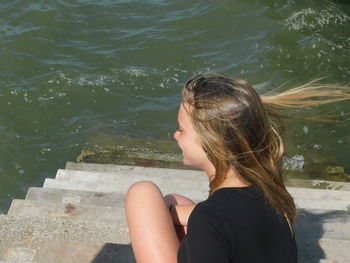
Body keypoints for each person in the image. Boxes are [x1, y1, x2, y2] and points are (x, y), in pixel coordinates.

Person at [124, 73, 349, 263]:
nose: (175, 135)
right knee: (174, 201)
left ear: (212, 142)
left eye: (181, 129)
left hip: (211, 224)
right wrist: (171, 214)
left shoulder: (209, 217)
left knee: (142, 194)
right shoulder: (274, 198)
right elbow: (235, 223)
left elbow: (215, 221)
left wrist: (145, 225)